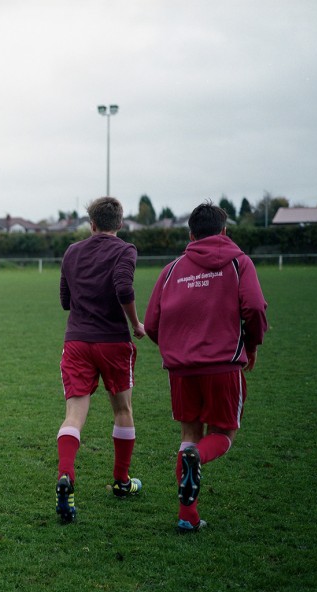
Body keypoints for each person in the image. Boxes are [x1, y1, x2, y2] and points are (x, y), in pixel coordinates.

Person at [144, 201, 268, 533]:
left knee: (188, 435)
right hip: (223, 366)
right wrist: (252, 345)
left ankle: (188, 515)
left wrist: (177, 348)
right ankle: (198, 458)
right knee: (224, 435)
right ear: (224, 232)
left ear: (191, 234)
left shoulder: (171, 270)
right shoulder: (239, 263)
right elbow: (254, 307)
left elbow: (152, 323)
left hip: (182, 371)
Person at [53, 196, 147, 524]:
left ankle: (66, 476)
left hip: (77, 341)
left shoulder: (72, 251)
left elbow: (65, 301)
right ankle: (121, 481)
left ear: (91, 224)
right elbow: (123, 288)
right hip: (112, 342)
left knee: (74, 415)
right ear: (119, 224)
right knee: (122, 410)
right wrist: (135, 323)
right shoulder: (125, 250)